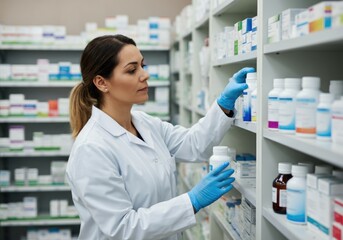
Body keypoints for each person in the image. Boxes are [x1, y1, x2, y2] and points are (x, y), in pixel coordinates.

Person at [66, 34, 255, 240]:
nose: (144, 75)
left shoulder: (145, 123)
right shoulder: (91, 148)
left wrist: (224, 104)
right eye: (131, 70)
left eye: (142, 65)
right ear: (102, 83)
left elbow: (194, 145)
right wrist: (191, 201)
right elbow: (122, 228)